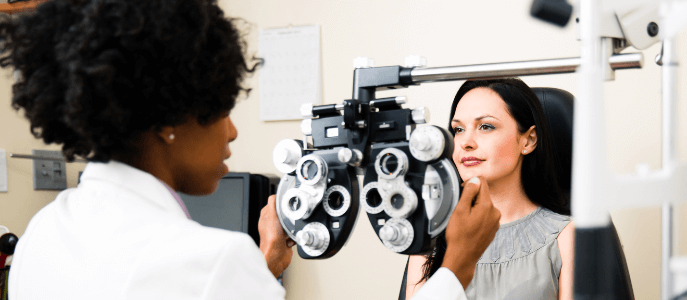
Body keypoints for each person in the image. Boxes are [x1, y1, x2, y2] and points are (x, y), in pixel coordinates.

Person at [1, 0, 499, 299]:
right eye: (220, 110)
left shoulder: (45, 232)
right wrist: (457, 267)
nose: (234, 134)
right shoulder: (210, 259)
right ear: (169, 120)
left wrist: (261, 268)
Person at [405, 78, 575, 300]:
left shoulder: (567, 238)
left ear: (529, 140)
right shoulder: (429, 239)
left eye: (486, 126)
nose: (466, 142)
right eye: (458, 129)